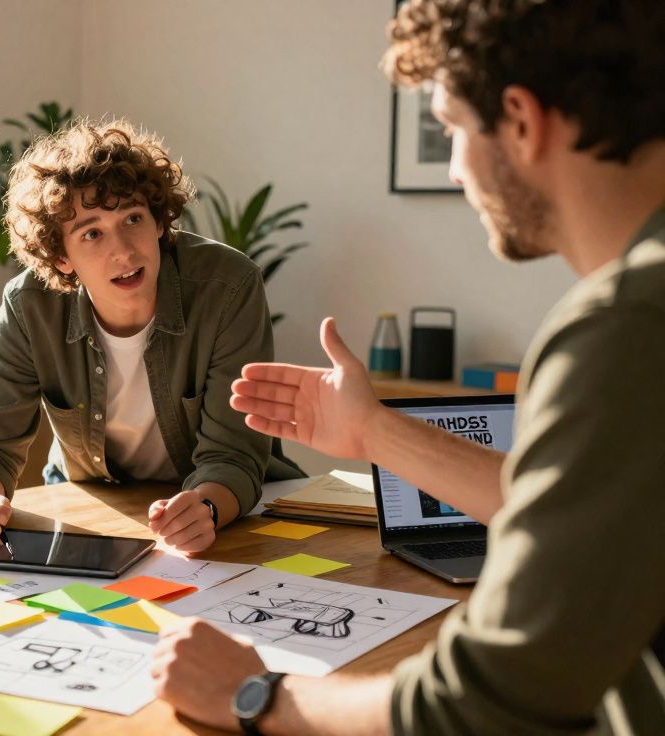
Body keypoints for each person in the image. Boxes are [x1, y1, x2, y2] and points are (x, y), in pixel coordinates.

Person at [151, 1, 665, 733]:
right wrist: (371, 430)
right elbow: (570, 516)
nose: (455, 169)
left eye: (451, 128)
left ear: (522, 119)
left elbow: (485, 704)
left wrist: (258, 693)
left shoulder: (625, 329)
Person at [0, 118, 302, 555]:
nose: (124, 251)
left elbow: (234, 456)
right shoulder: (29, 305)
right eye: (91, 233)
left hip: (226, 515)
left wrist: (204, 507)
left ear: (160, 223)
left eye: (133, 218)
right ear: (60, 255)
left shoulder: (228, 286)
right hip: (91, 508)